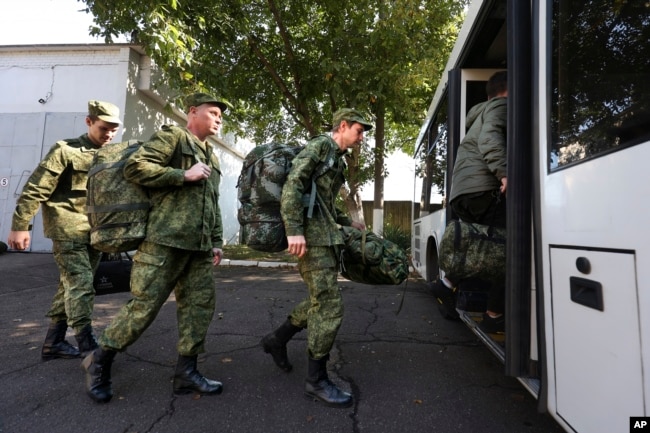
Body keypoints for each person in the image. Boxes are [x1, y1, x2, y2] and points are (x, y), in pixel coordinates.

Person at [81, 92, 227, 403]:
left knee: (199, 310)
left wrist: (215, 241)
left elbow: (210, 202)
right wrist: (181, 174)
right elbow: (135, 167)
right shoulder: (174, 138)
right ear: (193, 113)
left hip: (198, 249)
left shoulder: (210, 156)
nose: (219, 119)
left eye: (220, 116)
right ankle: (99, 360)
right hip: (164, 242)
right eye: (213, 113)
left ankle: (186, 372)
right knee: (143, 309)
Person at [260, 108, 372, 408]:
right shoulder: (321, 145)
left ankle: (277, 339)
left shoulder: (336, 157)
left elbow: (322, 203)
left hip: (324, 236)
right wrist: (294, 230)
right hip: (311, 239)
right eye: (359, 131)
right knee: (330, 305)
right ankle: (316, 381)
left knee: (319, 300)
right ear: (344, 125)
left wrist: (350, 223)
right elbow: (294, 184)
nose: (362, 138)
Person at [7, 100, 121, 360]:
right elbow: (36, 189)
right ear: (89, 121)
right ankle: (87, 344)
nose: (109, 134)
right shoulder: (65, 150)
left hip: (96, 231)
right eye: (104, 128)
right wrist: (20, 226)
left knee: (69, 285)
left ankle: (53, 342)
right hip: (67, 229)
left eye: (114, 129)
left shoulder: (110, 154)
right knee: (81, 284)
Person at [444, 70, 508, 333]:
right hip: (482, 189)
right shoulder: (502, 105)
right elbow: (490, 138)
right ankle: (494, 314)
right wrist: (505, 173)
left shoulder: (479, 113)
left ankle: (447, 283)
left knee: (477, 244)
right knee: (512, 248)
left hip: (462, 192)